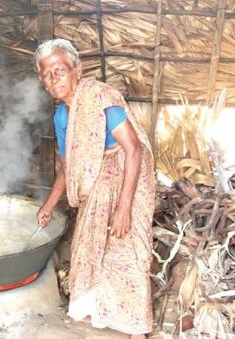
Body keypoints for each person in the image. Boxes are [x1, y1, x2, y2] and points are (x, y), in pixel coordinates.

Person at [34, 39, 156, 338]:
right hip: (96, 185)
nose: (54, 79)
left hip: (127, 177)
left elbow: (134, 149)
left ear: (76, 69)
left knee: (127, 248)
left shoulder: (100, 97)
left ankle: (134, 325)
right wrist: (48, 205)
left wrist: (124, 208)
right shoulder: (62, 117)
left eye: (59, 70)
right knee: (90, 247)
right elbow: (69, 166)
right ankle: (99, 311)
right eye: (47, 74)